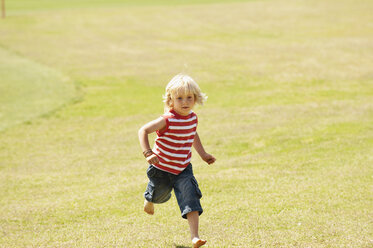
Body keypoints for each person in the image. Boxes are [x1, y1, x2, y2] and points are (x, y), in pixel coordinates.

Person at [138, 74, 216, 248]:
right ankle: (149, 197)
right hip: (161, 168)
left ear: (195, 98)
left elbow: (192, 134)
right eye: (179, 98)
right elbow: (143, 130)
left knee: (191, 197)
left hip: (183, 169)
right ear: (171, 100)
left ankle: (195, 237)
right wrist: (148, 152)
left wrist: (203, 155)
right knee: (160, 195)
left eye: (189, 97)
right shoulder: (166, 120)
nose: (185, 102)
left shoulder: (193, 118)